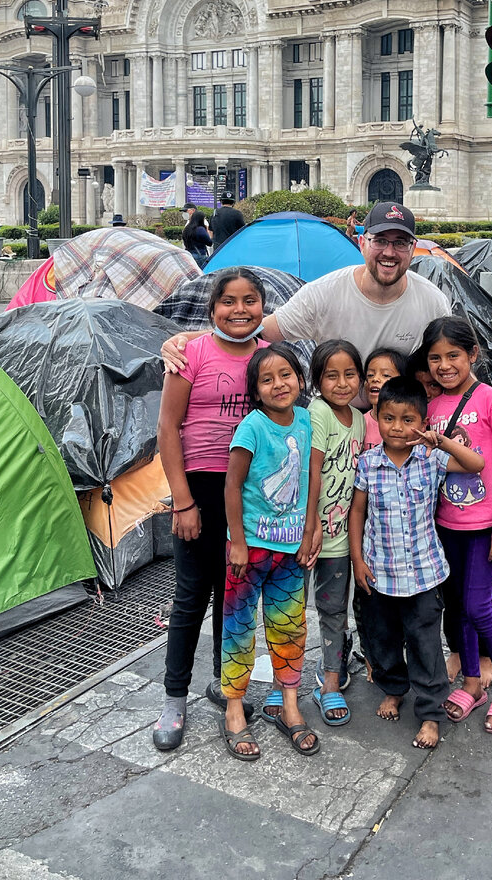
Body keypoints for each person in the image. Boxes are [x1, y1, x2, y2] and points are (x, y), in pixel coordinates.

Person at [151, 268, 267, 751]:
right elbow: (167, 427)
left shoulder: (269, 357)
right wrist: (183, 501)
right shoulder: (189, 354)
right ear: (211, 308)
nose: (239, 310)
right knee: (191, 596)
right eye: (229, 301)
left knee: (234, 597)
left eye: (250, 301)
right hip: (198, 489)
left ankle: (226, 683)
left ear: (264, 307)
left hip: (248, 496)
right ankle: (174, 697)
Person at [349, 377, 485, 750]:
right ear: (376, 417)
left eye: (408, 419)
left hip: (425, 575)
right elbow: (357, 512)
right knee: (385, 640)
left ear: (422, 422)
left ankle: (430, 712)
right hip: (380, 573)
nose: (397, 427)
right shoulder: (368, 463)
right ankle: (393, 689)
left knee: (425, 644)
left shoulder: (431, 457)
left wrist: (438, 440)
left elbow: (477, 463)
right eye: (389, 418)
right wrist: (358, 559)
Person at [161, 202, 449, 371]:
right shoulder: (325, 292)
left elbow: (452, 363)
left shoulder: (432, 302)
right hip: (333, 422)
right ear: (362, 243)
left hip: (397, 424)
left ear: (413, 249)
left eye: (400, 243)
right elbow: (262, 331)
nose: (389, 252)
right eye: (381, 241)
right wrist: (187, 338)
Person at [421, 316, 492, 734]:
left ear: (473, 355)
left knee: (480, 607)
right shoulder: (431, 406)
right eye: (435, 358)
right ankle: (470, 682)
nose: (444, 365)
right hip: (447, 525)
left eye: (453, 356)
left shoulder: (491, 401)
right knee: (459, 607)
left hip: (485, 526)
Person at [220, 345, 322, 760]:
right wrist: (238, 543)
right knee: (239, 630)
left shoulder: (305, 420)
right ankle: (233, 712)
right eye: (267, 379)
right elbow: (231, 486)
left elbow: (310, 476)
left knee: (290, 629)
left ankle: (290, 706)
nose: (279, 384)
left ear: (300, 380)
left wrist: (310, 525)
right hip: (251, 550)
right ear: (256, 391)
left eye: (287, 375)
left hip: (291, 550)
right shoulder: (252, 427)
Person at [304, 340, 365, 726]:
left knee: (333, 613)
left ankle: (330, 685)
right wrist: (310, 526)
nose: (341, 383)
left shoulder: (359, 419)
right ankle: (285, 684)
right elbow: (312, 473)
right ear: (317, 381)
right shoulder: (318, 412)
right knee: (289, 613)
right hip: (308, 536)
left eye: (349, 375)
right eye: (331, 375)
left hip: (340, 540)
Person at [362, 348, 408, 449]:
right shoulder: (360, 423)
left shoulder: (411, 422)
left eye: (386, 375)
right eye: (370, 375)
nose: (375, 379)